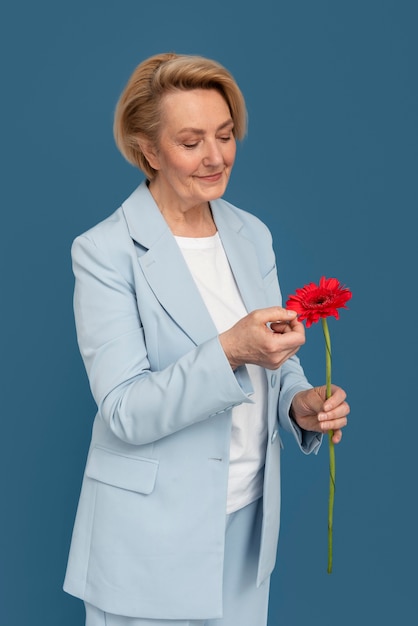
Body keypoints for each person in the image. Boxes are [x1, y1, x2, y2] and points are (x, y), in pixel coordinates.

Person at [63, 52, 349, 626]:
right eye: (191, 142)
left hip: (245, 531)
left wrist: (299, 401)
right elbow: (124, 410)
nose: (216, 157)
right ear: (149, 151)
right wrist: (229, 350)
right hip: (148, 545)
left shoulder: (250, 233)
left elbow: (274, 351)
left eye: (224, 135)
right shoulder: (103, 252)